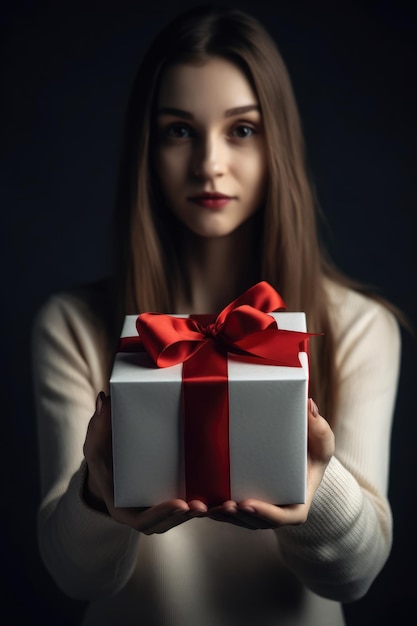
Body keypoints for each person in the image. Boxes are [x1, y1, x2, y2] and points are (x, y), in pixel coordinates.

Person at [31, 4, 402, 625]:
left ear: (279, 141)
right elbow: (74, 576)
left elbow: (356, 578)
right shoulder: (72, 325)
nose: (208, 163)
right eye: (179, 130)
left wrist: (317, 483)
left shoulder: (360, 326)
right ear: (146, 146)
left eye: (243, 129)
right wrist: (97, 492)